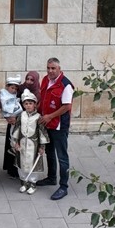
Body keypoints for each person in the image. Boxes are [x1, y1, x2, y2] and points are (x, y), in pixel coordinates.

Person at [41, 58, 74, 200]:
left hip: (59, 126)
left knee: (62, 156)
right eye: (48, 68)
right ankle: (51, 177)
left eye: (53, 68)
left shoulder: (66, 85)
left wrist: (50, 116)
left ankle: (64, 186)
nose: (50, 71)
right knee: (49, 152)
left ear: (59, 68)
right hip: (46, 124)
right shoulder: (45, 80)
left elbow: (66, 106)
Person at [11, 90, 48, 195]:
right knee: (22, 163)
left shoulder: (38, 117)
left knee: (33, 164)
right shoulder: (21, 116)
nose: (28, 106)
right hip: (22, 144)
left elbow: (42, 132)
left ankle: (32, 183)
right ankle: (24, 182)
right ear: (23, 105)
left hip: (34, 146)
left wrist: (42, 146)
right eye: (26, 103)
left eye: (30, 103)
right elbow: (17, 130)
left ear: (35, 104)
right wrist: (16, 142)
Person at [0, 75, 24, 180]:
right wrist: (9, 116)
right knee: (12, 143)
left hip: (20, 123)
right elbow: (5, 107)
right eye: (12, 88)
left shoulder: (18, 95)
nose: (13, 90)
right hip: (12, 122)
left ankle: (18, 168)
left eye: (15, 88)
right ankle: (11, 168)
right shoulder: (4, 94)